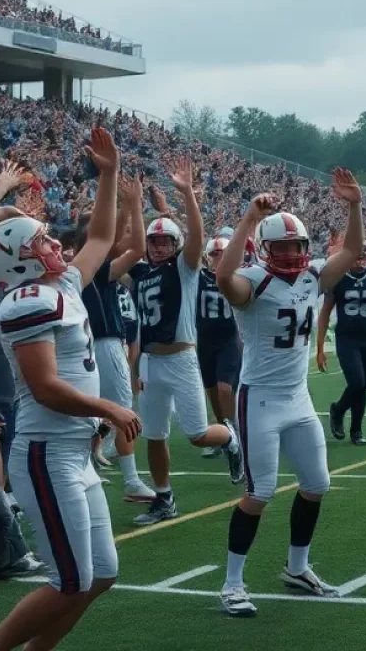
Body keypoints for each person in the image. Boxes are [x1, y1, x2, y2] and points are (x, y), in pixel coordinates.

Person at [0, 127, 143, 651]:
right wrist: (106, 405)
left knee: (101, 572)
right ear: (17, 257)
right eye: (39, 240)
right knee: (70, 579)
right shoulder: (23, 302)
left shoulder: (56, 286)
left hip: (72, 452)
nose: (54, 244)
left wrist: (107, 175)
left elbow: (103, 239)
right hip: (46, 452)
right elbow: (44, 387)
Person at [214, 169, 365, 617]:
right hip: (258, 397)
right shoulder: (253, 281)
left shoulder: (312, 276)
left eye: (297, 246)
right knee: (259, 492)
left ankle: (297, 568)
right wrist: (246, 219)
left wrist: (354, 206)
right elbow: (224, 280)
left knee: (317, 484)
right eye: (281, 246)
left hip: (297, 397)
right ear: (264, 248)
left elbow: (353, 251)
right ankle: (231, 583)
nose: (292, 254)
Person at [130, 158, 243, 525]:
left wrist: (186, 196)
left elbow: (196, 235)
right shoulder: (142, 272)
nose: (158, 247)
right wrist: (132, 204)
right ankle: (164, 498)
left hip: (181, 358)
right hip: (150, 360)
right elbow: (127, 245)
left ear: (175, 245)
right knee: (155, 434)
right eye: (154, 241)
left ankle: (229, 438)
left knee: (197, 434)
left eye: (165, 242)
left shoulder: (185, 268)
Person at [75, 175, 153, 503]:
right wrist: (134, 204)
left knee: (91, 412)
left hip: (89, 346)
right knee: (124, 412)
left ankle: (85, 468)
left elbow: (118, 237)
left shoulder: (77, 268)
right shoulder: (94, 270)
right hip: (105, 344)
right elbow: (135, 247)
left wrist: (127, 207)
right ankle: (132, 480)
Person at [316, 240, 366, 445]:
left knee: (364, 385)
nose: (361, 260)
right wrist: (320, 347)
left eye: (365, 255)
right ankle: (338, 410)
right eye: (358, 255)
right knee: (357, 382)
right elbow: (324, 314)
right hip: (347, 339)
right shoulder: (339, 278)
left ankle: (356, 430)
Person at [196, 237, 241, 458]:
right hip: (204, 340)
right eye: (214, 254)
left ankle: (235, 434)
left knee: (225, 389)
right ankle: (222, 432)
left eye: (222, 253)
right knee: (212, 390)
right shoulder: (198, 277)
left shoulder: (237, 276)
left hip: (228, 339)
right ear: (207, 257)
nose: (219, 257)